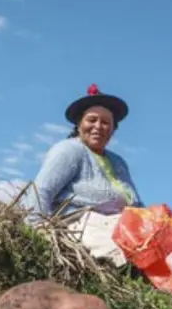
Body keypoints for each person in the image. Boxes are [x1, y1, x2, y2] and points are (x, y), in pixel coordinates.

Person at [23, 83, 143, 240]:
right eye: (91, 120)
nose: (98, 126)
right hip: (84, 226)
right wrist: (39, 230)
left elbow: (138, 206)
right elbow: (41, 191)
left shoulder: (118, 162)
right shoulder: (69, 150)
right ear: (79, 125)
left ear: (113, 129)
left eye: (106, 122)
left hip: (125, 226)